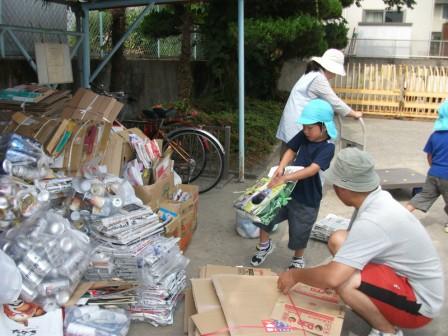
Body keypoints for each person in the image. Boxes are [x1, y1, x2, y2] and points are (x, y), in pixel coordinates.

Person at [277, 148, 444, 336]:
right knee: (338, 239)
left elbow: (332, 277)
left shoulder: (373, 219)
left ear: (343, 189)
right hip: (405, 279)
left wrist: (295, 276)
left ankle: (387, 331)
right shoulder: (374, 198)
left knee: (343, 282)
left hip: (419, 306)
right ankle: (372, 298)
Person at [250, 99, 337, 269]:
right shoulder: (304, 135)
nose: (305, 131)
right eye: (304, 126)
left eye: (310, 128)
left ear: (324, 127)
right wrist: (281, 167)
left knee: (300, 231)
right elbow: (291, 149)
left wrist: (284, 178)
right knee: (265, 214)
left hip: (308, 197)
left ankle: (298, 258)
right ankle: (264, 246)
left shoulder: (327, 147)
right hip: (287, 191)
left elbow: (312, 170)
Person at [276, 48, 362, 156]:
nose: (335, 75)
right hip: (299, 124)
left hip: (293, 122)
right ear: (330, 68)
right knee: (296, 163)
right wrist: (353, 113)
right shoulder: (318, 79)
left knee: (287, 159)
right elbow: (334, 101)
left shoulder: (311, 73)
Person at [406, 100, 448, 233]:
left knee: (423, 196)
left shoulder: (434, 136)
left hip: (434, 172)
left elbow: (429, 156)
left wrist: (434, 167)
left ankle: (401, 214)